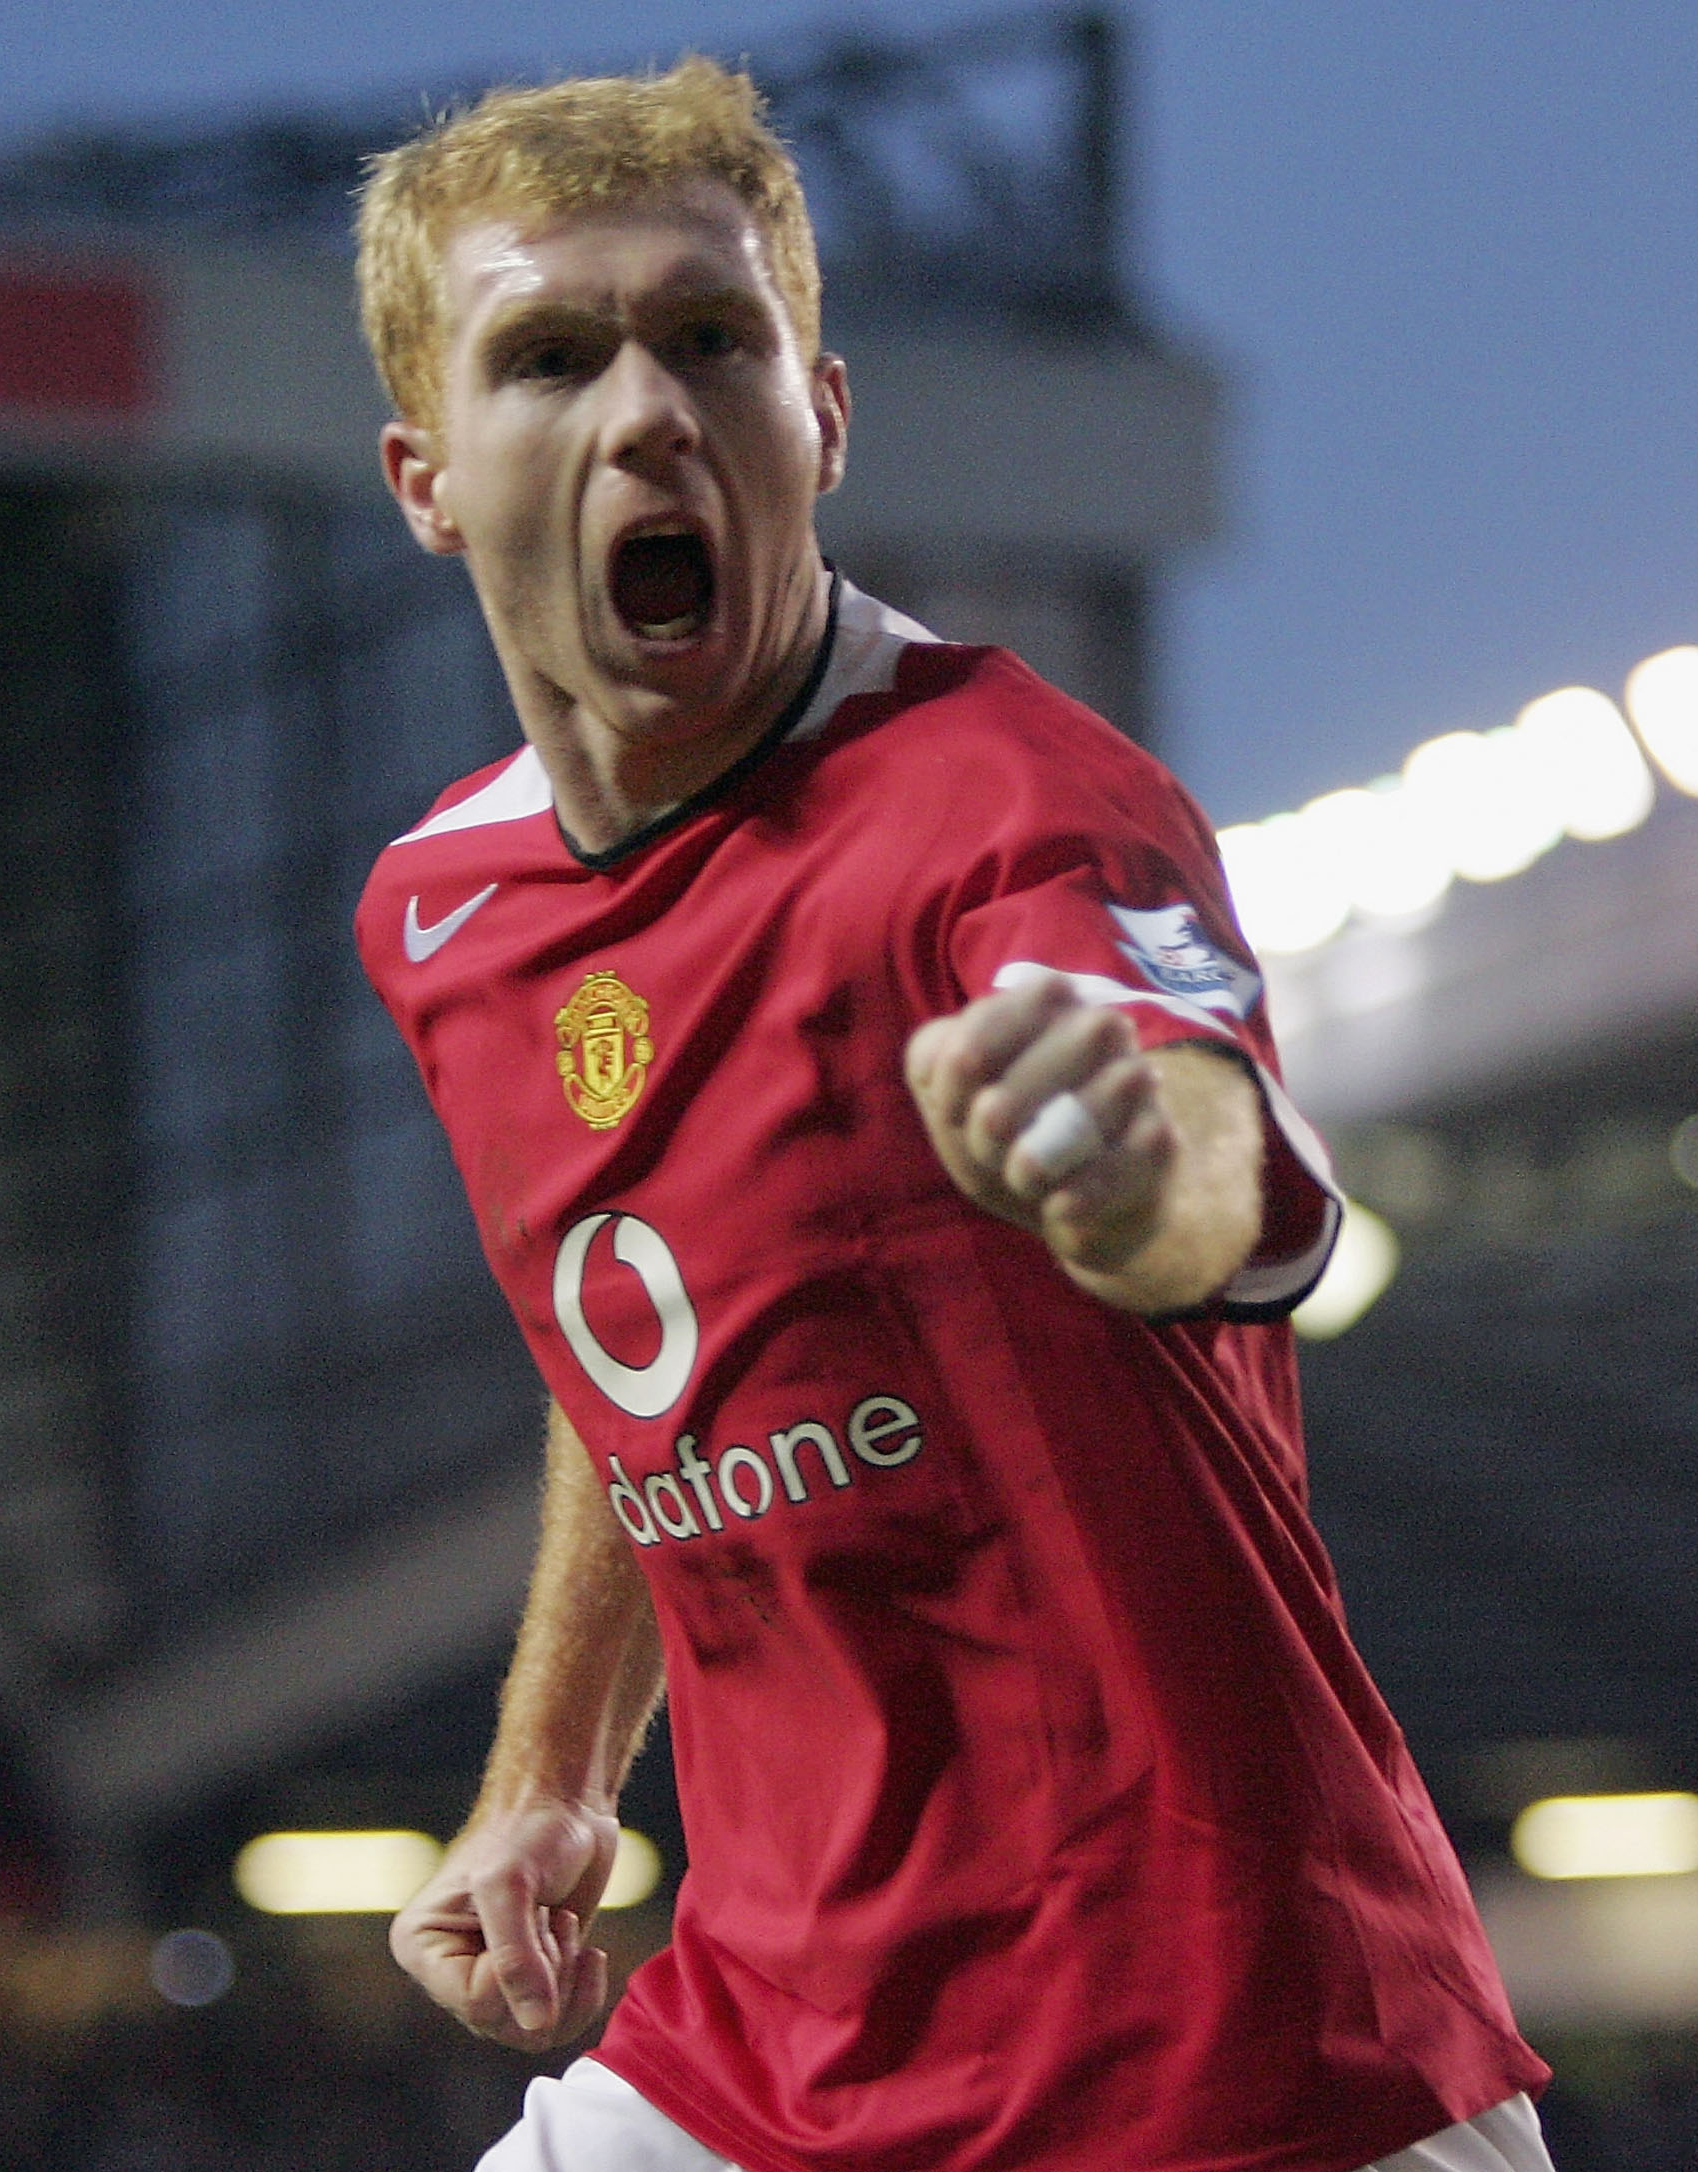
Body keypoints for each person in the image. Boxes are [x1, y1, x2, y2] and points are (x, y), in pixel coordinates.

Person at [349, 59, 1553, 2172]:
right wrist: (553, 1763)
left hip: (1229, 2063)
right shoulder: (446, 912)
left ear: (819, 417)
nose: (647, 410)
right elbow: (627, 1324)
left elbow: (1233, 1188)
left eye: (710, 340)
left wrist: (1123, 1172)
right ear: (428, 475)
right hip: (767, 2045)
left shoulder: (1014, 804)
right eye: (550, 357)